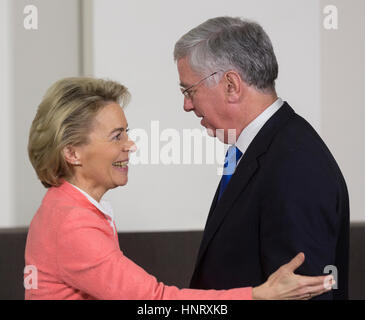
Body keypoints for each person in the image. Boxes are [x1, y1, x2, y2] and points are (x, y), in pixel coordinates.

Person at [25, 77, 333, 300]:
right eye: (117, 136)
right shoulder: (72, 224)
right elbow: (154, 302)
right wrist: (257, 296)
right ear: (72, 153)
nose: (130, 145)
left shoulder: (66, 207)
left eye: (127, 134)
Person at [174, 17, 349, 300]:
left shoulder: (294, 162)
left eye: (189, 91)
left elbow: (304, 291)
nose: (186, 105)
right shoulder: (261, 148)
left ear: (231, 84)